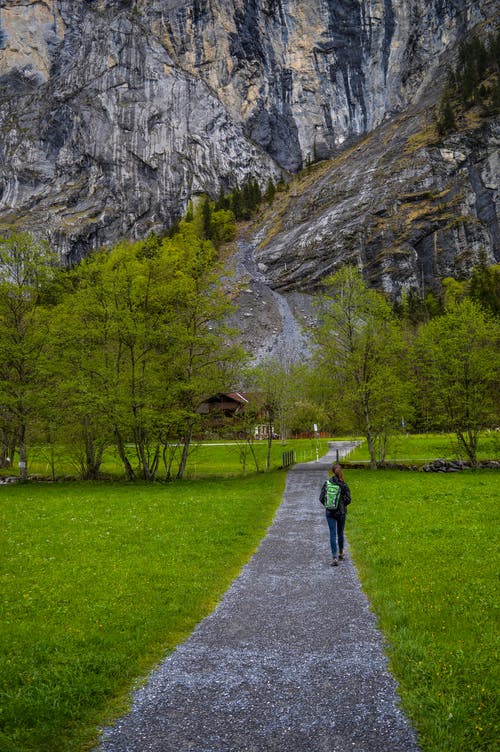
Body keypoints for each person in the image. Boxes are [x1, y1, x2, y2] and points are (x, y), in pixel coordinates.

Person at [319, 463, 351, 567]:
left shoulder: (327, 483)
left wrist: (328, 505)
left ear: (333, 472)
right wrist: (342, 505)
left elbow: (321, 498)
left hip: (330, 512)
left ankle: (334, 557)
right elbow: (349, 499)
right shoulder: (343, 485)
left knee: (332, 534)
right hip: (341, 513)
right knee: (340, 532)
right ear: (340, 471)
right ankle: (341, 553)